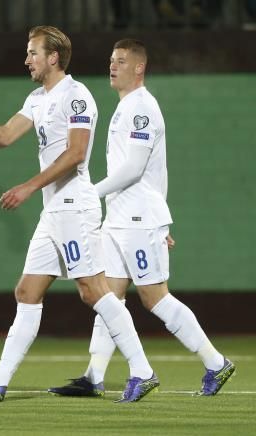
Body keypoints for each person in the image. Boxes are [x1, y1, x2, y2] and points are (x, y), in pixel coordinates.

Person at [0, 25, 158, 403]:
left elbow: (76, 153)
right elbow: (4, 136)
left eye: (33, 53)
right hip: (54, 211)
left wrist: (28, 187)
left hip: (75, 208)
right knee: (27, 291)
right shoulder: (36, 98)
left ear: (53, 57)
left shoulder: (77, 96)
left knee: (93, 290)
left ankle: (142, 371)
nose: (27, 59)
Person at [49, 39, 235, 398]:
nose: (112, 66)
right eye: (111, 60)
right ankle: (93, 376)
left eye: (121, 61)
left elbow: (135, 168)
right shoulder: (127, 106)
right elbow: (150, 171)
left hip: (137, 219)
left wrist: (93, 192)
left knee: (154, 298)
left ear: (139, 68)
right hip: (122, 218)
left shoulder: (142, 108)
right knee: (108, 296)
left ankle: (215, 363)